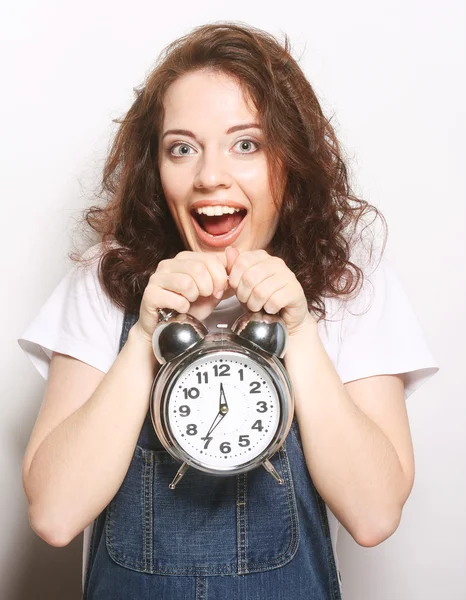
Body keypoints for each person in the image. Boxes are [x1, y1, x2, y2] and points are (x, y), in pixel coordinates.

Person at [18, 22, 439, 600]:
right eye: (182, 148)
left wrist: (301, 333)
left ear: (289, 162)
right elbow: (55, 515)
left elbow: (374, 516)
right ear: (156, 167)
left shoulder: (351, 287)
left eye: (246, 144)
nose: (209, 175)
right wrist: (146, 336)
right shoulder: (103, 280)